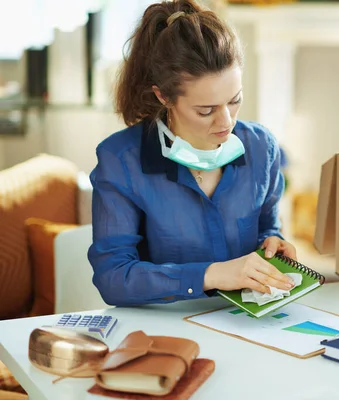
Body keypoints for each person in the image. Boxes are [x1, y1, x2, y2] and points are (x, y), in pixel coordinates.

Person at [88, 0, 296, 306]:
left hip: (248, 323)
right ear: (163, 96)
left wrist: (272, 242)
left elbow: (267, 225)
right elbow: (113, 278)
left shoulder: (261, 147)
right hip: (166, 330)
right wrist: (210, 275)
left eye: (234, 100)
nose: (226, 122)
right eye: (205, 110)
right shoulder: (121, 161)